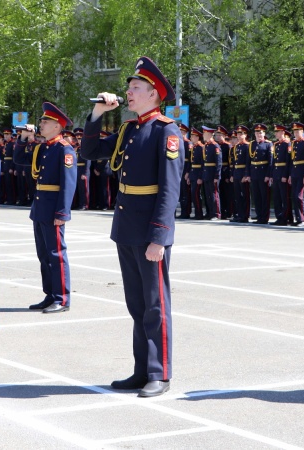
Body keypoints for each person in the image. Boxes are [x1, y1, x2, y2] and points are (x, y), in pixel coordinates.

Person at [80, 56, 183, 398]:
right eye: (129, 87)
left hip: (149, 230)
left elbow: (169, 190)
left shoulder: (166, 131)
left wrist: (159, 237)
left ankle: (160, 372)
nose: (128, 93)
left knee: (155, 304)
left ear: (155, 94)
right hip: (126, 226)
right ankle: (142, 370)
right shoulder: (129, 129)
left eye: (135, 88)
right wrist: (97, 115)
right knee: (137, 304)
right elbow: (91, 150)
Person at [17, 103, 76, 313]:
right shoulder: (44, 147)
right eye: (41, 121)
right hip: (40, 206)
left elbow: (68, 183)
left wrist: (62, 212)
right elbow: (19, 159)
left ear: (57, 126)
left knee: (56, 253)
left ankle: (62, 298)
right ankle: (50, 294)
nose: (41, 124)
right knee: (43, 254)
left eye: (45, 122)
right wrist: (24, 138)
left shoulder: (64, 150)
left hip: (53, 209)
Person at [289, 122, 304, 226]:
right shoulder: (294, 143)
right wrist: (290, 174)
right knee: (294, 196)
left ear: (302, 132)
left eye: (298, 131)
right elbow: (292, 160)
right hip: (294, 172)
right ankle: (298, 218)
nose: (296, 133)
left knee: (299, 196)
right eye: (294, 131)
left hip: (302, 172)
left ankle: (303, 219)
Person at [249, 123, 273, 224]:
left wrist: (268, 175)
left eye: (261, 132)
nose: (259, 134)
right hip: (254, 173)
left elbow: (271, 161)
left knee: (264, 196)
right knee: (256, 196)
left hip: (263, 173)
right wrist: (248, 174)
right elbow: (248, 161)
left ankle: (264, 217)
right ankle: (259, 216)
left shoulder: (268, 144)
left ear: (264, 133)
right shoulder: (252, 144)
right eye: (257, 132)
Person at [230, 125, 251, 223]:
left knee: (245, 195)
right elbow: (234, 162)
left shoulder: (247, 146)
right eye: (238, 134)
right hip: (237, 172)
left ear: (245, 135)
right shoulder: (237, 146)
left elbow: (248, 162)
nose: (239, 136)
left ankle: (245, 215)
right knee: (237, 195)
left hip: (243, 173)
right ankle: (239, 214)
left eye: (241, 134)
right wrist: (232, 174)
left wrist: (246, 175)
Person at [271, 124, 291, 226]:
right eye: (275, 132)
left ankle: (285, 217)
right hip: (276, 173)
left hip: (283, 173)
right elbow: (273, 161)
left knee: (284, 197)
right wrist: (272, 175)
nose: (276, 133)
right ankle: (279, 217)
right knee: (277, 197)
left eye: (277, 132)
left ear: (283, 132)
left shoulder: (287, 144)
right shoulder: (276, 144)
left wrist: (285, 175)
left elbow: (288, 161)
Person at [201, 126, 222, 220]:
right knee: (208, 194)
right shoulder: (206, 146)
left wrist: (217, 175)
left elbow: (218, 162)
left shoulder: (215, 146)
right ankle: (209, 212)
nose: (203, 135)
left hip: (212, 173)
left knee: (214, 194)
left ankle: (216, 213)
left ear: (209, 134)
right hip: (206, 173)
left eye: (205, 134)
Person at [216, 126, 233, 220]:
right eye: (217, 134)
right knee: (220, 192)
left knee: (227, 193)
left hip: (225, 170)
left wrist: (228, 175)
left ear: (224, 135)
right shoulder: (217, 145)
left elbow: (230, 161)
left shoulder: (227, 145)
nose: (218, 136)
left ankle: (228, 211)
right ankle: (221, 211)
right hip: (219, 171)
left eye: (220, 134)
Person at [176, 123, 192, 219]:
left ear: (185, 133)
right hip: (178, 170)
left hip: (185, 169)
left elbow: (190, 160)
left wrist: (188, 172)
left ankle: (186, 212)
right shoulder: (177, 142)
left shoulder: (188, 143)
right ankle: (182, 211)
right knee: (180, 193)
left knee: (185, 193)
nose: (179, 133)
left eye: (181, 132)